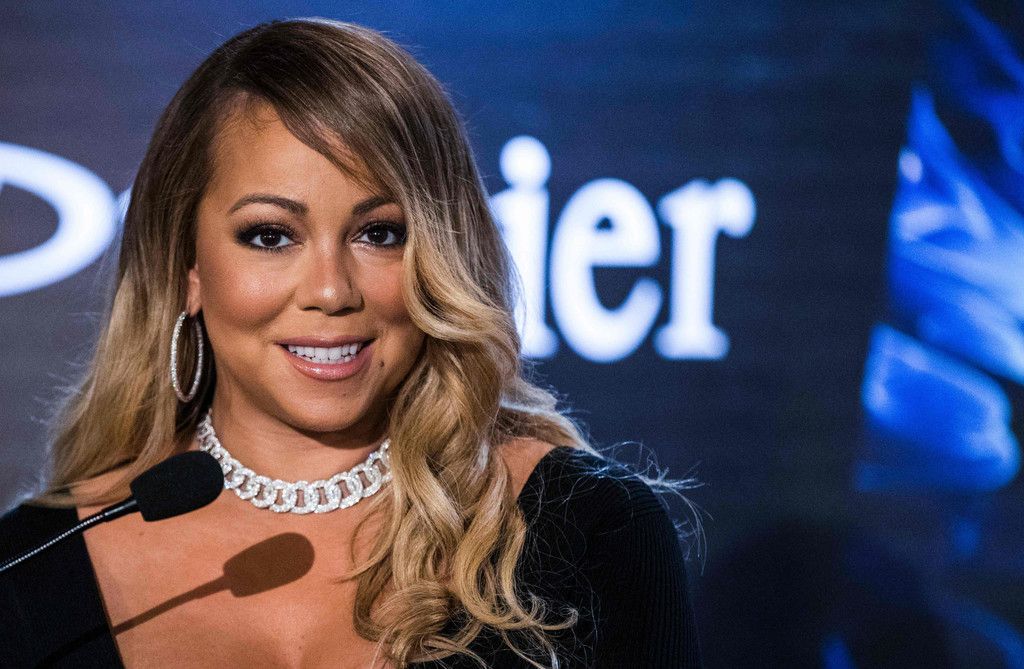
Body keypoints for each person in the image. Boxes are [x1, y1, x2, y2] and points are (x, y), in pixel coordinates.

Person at [0, 18, 704, 669]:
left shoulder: (591, 531)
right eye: (270, 235)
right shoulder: (31, 570)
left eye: (379, 233)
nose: (332, 290)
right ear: (188, 269)